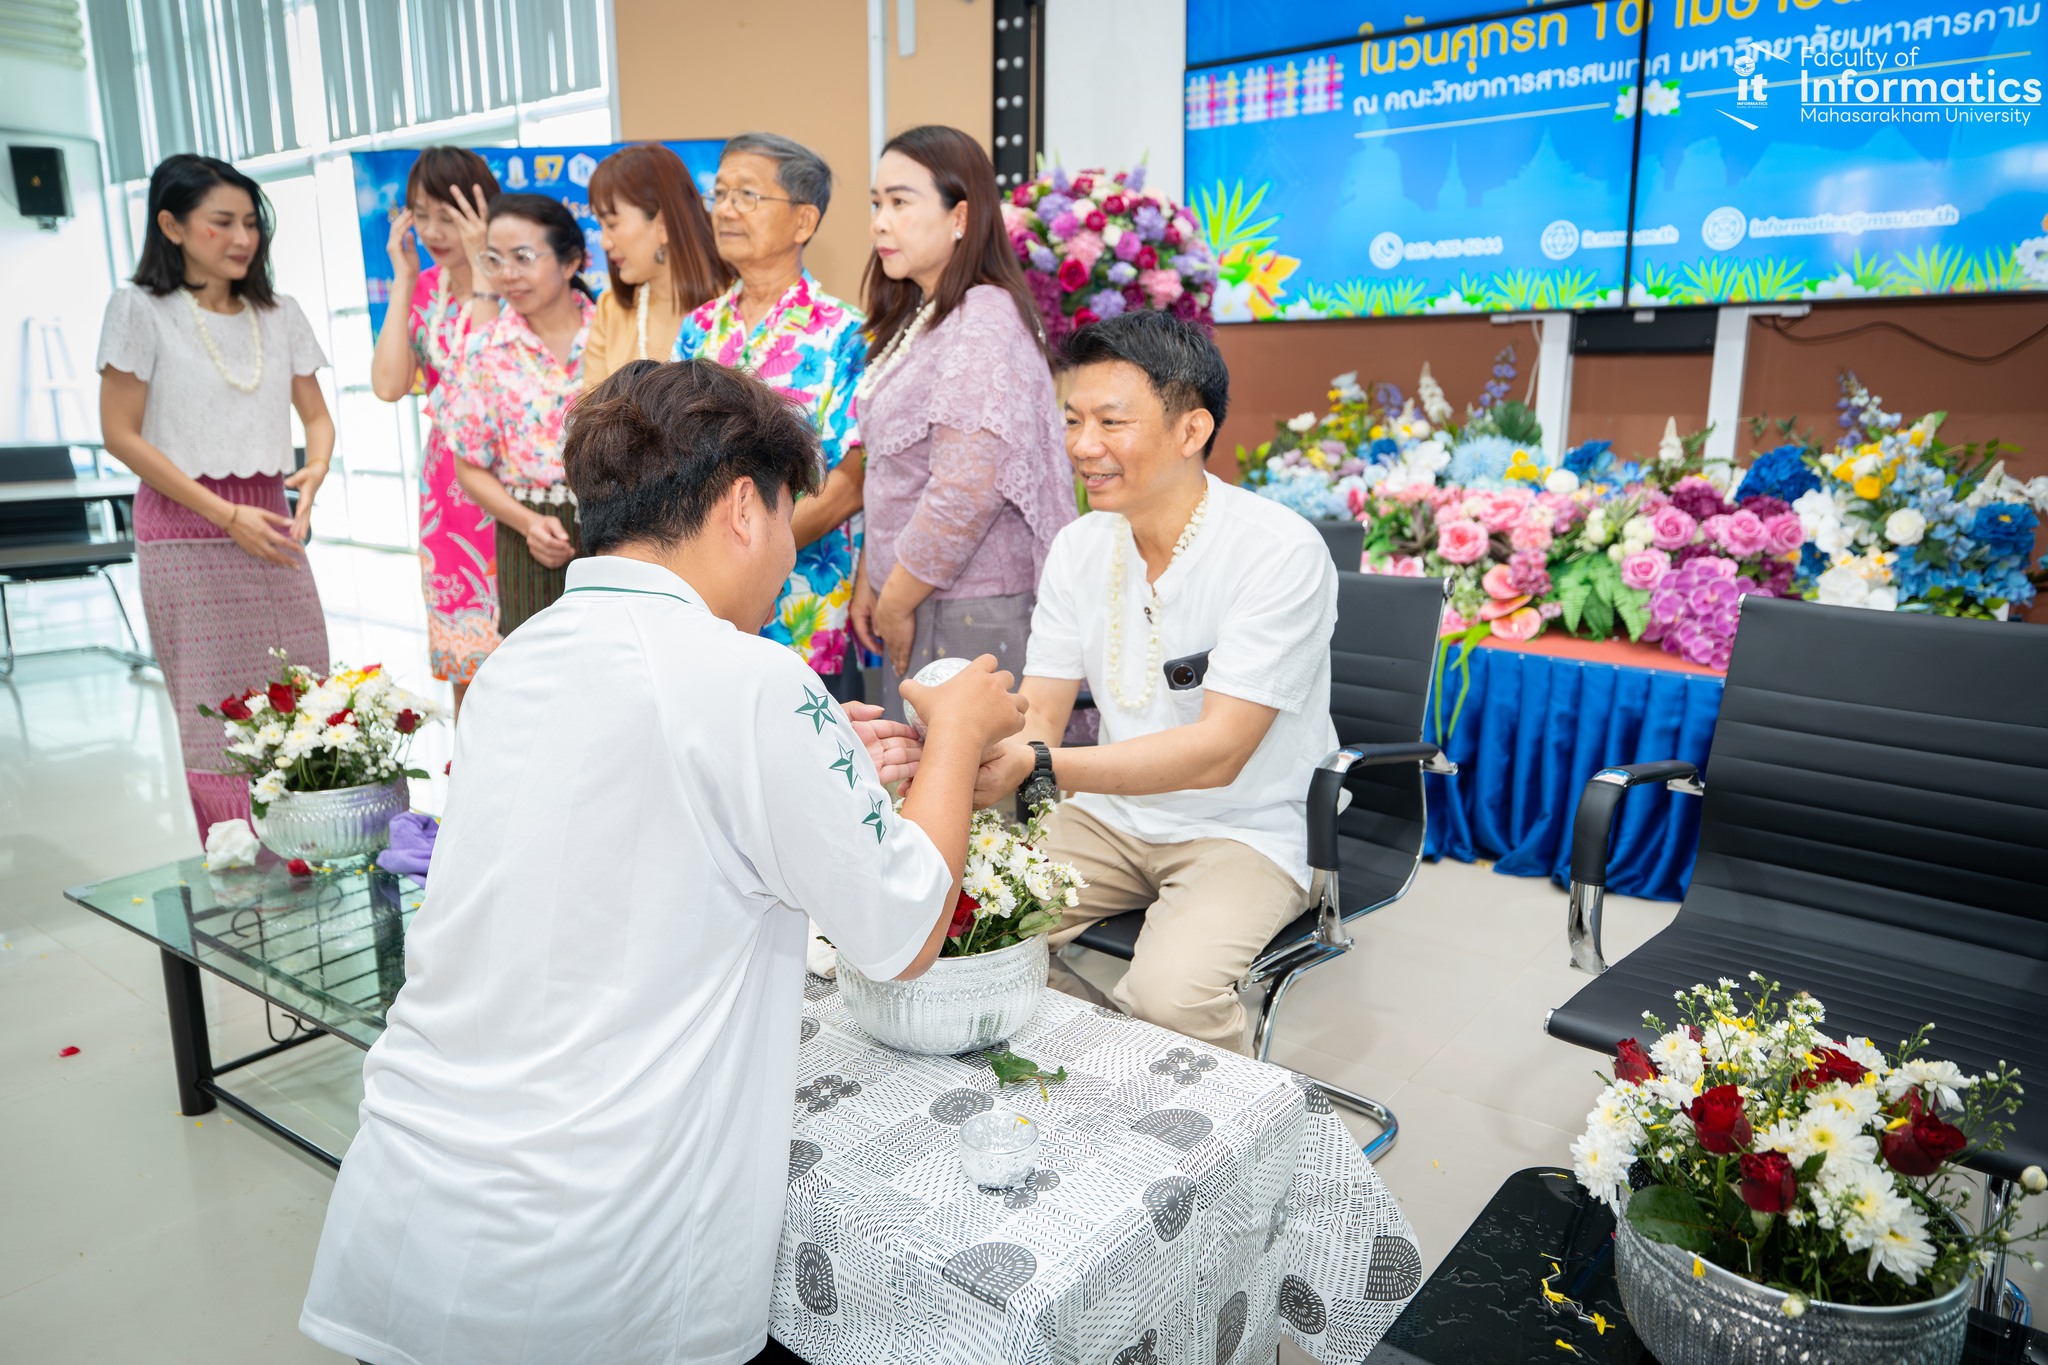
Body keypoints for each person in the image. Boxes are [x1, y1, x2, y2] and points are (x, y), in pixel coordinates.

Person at [300, 358, 1026, 1365]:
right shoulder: (748, 677)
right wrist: (956, 732)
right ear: (742, 506)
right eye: (785, 518)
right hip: (586, 1253)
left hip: (413, 1196)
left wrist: (811, 772)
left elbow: (633, 820)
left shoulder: (524, 656)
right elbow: (901, 930)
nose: (785, 555)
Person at [973, 310, 1340, 1054]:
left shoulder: (1278, 553)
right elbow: (1041, 708)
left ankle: (1216, 1149)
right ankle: (1097, 1072)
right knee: (970, 923)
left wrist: (1039, 766)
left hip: (1246, 827)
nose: (1084, 447)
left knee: (1169, 998)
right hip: (1107, 817)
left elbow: (1220, 752)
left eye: (1112, 422)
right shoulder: (1080, 547)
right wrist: (981, 753)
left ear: (1191, 429)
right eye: (1073, 420)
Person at [96, 153, 334, 835]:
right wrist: (226, 514)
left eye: (251, 224)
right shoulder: (139, 310)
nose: (241, 238)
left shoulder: (279, 313)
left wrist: (313, 470)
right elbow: (120, 433)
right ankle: (240, 865)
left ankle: (309, 847)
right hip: (188, 529)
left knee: (301, 695)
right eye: (220, 223)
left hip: (271, 522)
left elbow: (315, 416)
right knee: (217, 714)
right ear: (170, 225)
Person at [851, 126, 1077, 721]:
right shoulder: (927, 313)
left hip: (966, 606)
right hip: (920, 593)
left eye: (900, 202)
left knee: (973, 802)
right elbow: (896, 473)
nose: (880, 222)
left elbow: (966, 488)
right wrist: (870, 581)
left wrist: (894, 601)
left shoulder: (984, 317)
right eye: (876, 204)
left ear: (961, 216)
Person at [671, 132, 867, 692]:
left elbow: (850, 485)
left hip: (802, 605)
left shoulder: (847, 333)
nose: (726, 209)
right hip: (699, 607)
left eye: (748, 195)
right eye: (721, 193)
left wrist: (742, 563)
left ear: (804, 222)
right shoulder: (699, 328)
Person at [368, 147, 503, 708]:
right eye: (421, 216)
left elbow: (488, 372)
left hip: (504, 478)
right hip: (444, 492)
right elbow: (389, 384)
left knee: (520, 658)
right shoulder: (425, 287)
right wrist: (402, 282)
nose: (433, 231)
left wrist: (483, 267)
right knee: (466, 677)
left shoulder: (512, 280)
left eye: (448, 215)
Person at [444, 193, 596, 634]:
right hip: (527, 539)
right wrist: (528, 524)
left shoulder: (615, 333)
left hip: (619, 532)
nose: (507, 275)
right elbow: (469, 467)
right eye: (494, 259)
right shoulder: (483, 350)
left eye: (523, 257)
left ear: (571, 263)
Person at [583, 142, 731, 389]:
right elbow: (589, 414)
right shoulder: (612, 309)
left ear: (662, 224)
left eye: (612, 224)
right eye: (600, 226)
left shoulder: (736, 305)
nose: (605, 242)